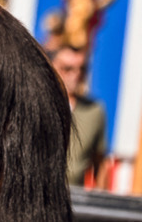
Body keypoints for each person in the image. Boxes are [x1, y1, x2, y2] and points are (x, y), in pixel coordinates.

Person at [50, 45, 106, 186]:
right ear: (52, 70)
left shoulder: (94, 111)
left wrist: (101, 200)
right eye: (67, 69)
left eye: (82, 69)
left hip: (75, 198)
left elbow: (100, 162)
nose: (75, 75)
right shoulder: (38, 105)